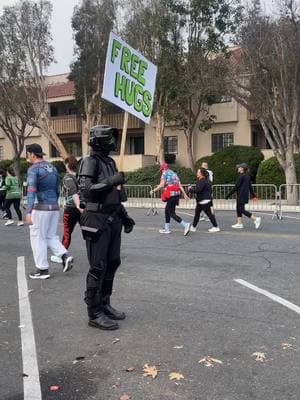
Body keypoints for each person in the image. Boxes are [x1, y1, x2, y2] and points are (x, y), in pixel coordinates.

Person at [78, 125, 135, 331]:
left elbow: (116, 197)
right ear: (98, 140)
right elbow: (86, 191)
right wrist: (111, 181)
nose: (113, 141)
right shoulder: (89, 161)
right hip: (96, 219)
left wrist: (125, 216)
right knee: (98, 266)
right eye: (109, 137)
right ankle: (94, 312)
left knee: (112, 262)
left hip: (113, 218)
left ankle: (104, 303)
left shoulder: (109, 161)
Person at [26, 143, 74, 279]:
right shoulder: (52, 168)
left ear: (32, 154)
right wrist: (55, 203)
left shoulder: (33, 169)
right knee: (50, 236)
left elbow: (31, 191)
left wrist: (29, 212)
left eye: (28, 154)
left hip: (40, 208)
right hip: (54, 207)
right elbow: (58, 188)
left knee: (37, 238)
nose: (28, 157)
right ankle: (65, 256)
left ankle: (42, 270)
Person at [51, 156, 83, 264]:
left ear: (68, 165)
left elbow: (73, 192)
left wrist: (78, 205)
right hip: (83, 208)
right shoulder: (81, 176)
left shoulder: (68, 177)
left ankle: (61, 255)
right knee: (88, 233)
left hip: (72, 209)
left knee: (67, 233)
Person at [150, 163, 191, 235]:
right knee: (167, 211)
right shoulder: (174, 173)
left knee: (171, 213)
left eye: (161, 170)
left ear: (163, 169)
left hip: (170, 195)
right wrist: (184, 194)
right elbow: (179, 185)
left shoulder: (164, 174)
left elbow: (162, 185)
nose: (161, 172)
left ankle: (185, 224)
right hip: (176, 195)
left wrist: (153, 190)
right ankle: (167, 228)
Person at [225, 163, 261, 229]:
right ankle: (239, 223)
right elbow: (250, 187)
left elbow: (236, 187)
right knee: (238, 209)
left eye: (239, 167)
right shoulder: (247, 176)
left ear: (242, 169)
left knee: (241, 209)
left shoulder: (241, 176)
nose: (238, 168)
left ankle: (255, 219)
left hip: (241, 195)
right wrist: (253, 195)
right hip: (244, 195)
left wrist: (228, 195)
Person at [188, 168, 220, 232]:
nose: (197, 173)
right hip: (202, 201)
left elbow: (198, 190)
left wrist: (190, 190)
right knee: (197, 214)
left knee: (209, 214)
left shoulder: (202, 181)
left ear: (202, 174)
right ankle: (193, 227)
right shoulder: (204, 180)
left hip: (204, 201)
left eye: (198, 172)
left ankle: (216, 227)